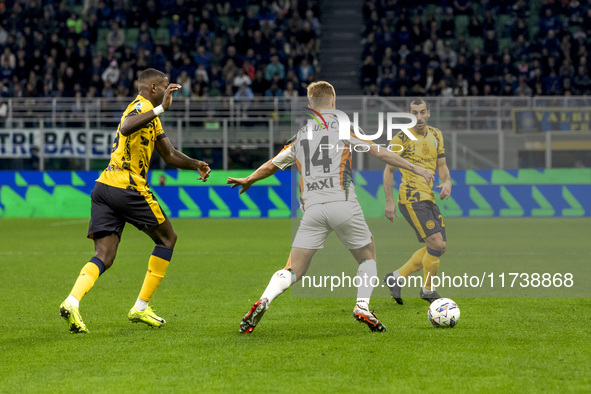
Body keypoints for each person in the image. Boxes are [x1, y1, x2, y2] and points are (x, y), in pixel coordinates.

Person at [227, 81, 433, 334]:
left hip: (312, 209)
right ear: (333, 102)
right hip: (343, 202)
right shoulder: (344, 127)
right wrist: (416, 168)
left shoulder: (300, 135)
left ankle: (265, 299)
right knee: (368, 256)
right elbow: (379, 152)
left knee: (293, 268)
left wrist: (248, 179)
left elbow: (272, 164)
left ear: (310, 104)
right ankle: (362, 306)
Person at [59, 68, 211, 333]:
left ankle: (72, 301)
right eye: (165, 87)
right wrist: (160, 109)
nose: (168, 92)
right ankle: (140, 307)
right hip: (127, 185)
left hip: (105, 186)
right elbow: (127, 126)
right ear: (153, 88)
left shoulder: (149, 116)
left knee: (104, 256)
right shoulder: (141, 107)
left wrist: (195, 163)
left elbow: (170, 154)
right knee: (167, 238)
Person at [382, 98, 452, 304]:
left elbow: (442, 165)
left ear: (428, 113)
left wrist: (447, 181)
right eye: (414, 113)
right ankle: (428, 291)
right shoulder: (401, 138)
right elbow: (388, 170)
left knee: (440, 247)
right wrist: (389, 201)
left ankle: (395, 278)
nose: (419, 117)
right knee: (436, 244)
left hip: (428, 197)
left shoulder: (437, 135)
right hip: (411, 198)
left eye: (422, 112)